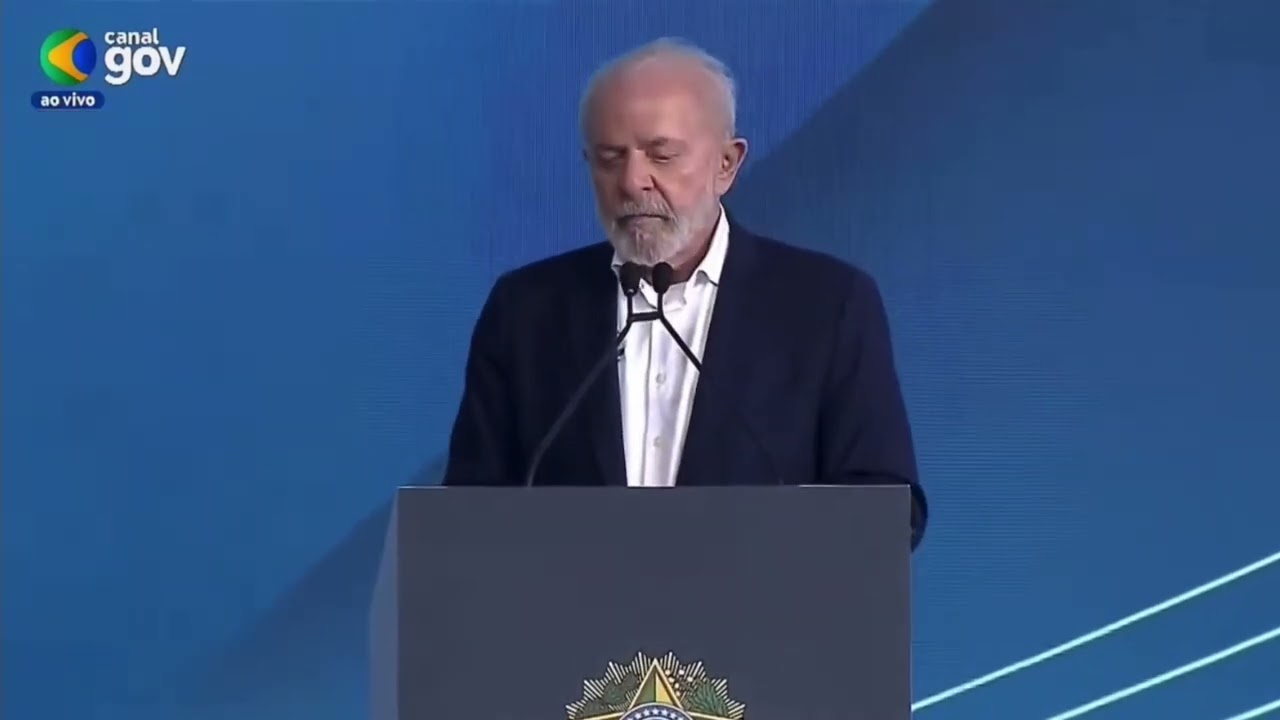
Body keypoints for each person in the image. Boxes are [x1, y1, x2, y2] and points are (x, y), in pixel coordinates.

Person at [443, 37, 927, 548]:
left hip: (759, 599)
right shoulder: (525, 311)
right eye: (609, 158)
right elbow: (468, 516)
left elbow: (887, 511)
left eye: (662, 155)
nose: (632, 181)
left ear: (727, 164)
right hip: (568, 601)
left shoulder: (828, 306)